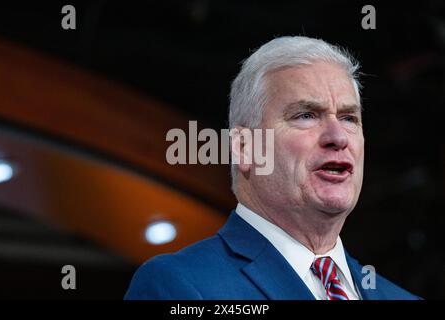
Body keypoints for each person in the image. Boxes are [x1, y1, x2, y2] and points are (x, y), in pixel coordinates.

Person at [124, 36, 420, 300]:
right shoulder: (179, 286)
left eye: (349, 118)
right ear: (244, 148)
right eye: (306, 115)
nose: (338, 137)